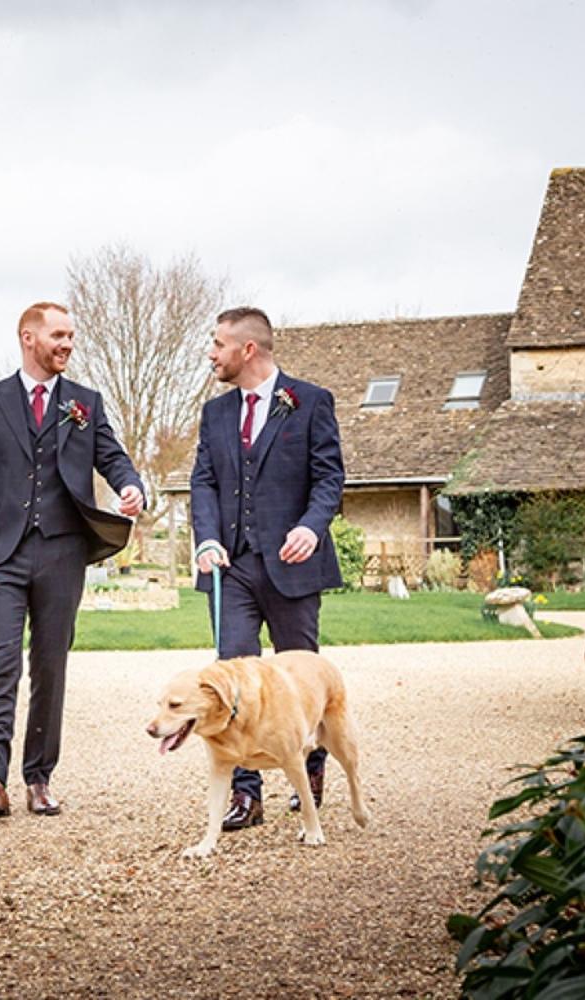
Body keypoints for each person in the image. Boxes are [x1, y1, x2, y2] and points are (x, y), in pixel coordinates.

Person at [0, 301, 145, 819]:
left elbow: (112, 456)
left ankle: (39, 779)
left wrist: (130, 484)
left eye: (71, 336)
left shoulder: (85, 403)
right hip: (0, 553)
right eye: (58, 335)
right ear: (28, 338)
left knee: (50, 667)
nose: (67, 344)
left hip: (62, 551)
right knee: (0, 663)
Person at [189, 306, 345, 831]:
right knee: (231, 680)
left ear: (247, 349)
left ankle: (310, 775)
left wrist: (312, 526)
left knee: (300, 677)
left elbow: (329, 478)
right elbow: (203, 483)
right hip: (229, 566)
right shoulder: (214, 414)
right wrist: (206, 539)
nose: (211, 354)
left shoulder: (310, 402)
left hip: (293, 565)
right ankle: (245, 795)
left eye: (217, 344)